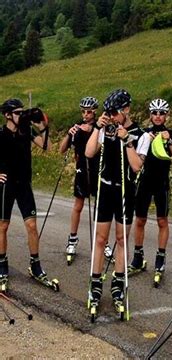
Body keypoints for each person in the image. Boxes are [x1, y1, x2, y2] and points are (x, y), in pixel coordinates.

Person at [85, 89, 142, 313]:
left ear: (126, 110)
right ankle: (96, 282)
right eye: (107, 112)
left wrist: (127, 141)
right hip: (106, 189)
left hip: (126, 191)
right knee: (100, 239)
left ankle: (118, 283)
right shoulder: (105, 128)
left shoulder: (140, 133)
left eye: (114, 112)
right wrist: (99, 127)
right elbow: (90, 153)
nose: (111, 116)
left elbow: (137, 166)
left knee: (121, 239)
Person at [0, 98, 57, 291]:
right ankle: (2, 265)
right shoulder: (1, 134)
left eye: (23, 112)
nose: (21, 115)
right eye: (17, 113)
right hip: (6, 185)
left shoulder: (26, 131)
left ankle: (35, 265)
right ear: (8, 115)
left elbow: (48, 147)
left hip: (24, 184)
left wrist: (42, 126)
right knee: (3, 226)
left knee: (32, 225)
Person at [128, 98, 172, 284]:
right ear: (150, 115)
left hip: (161, 183)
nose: (158, 116)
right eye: (154, 113)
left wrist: (169, 141)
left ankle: (160, 259)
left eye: (161, 113)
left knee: (162, 220)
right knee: (140, 219)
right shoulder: (144, 133)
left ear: (166, 115)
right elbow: (134, 157)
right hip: (144, 181)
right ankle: (137, 257)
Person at [59, 97, 103, 264]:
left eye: (89, 111)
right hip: (81, 171)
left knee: (99, 208)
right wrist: (68, 134)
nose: (86, 114)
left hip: (97, 171)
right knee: (78, 205)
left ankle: (102, 241)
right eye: (83, 111)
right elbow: (62, 150)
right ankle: (72, 238)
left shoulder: (100, 128)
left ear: (95, 112)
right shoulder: (76, 128)